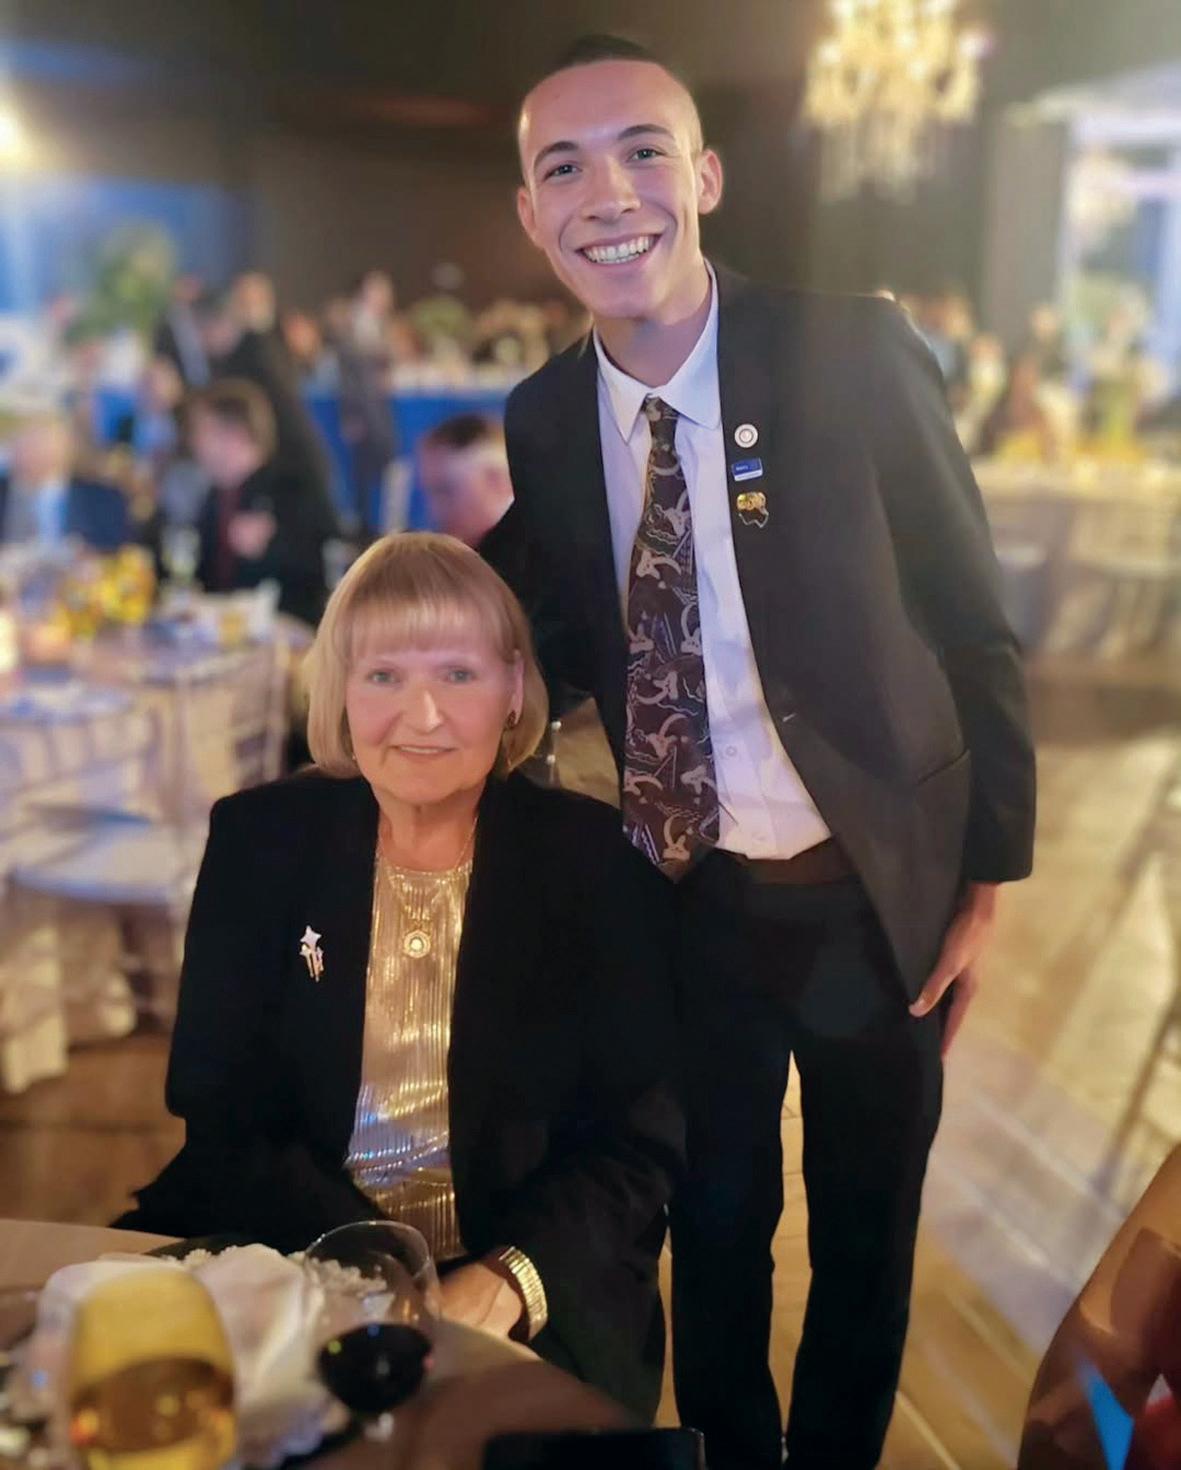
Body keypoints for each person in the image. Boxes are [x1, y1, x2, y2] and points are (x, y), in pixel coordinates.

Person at [492, 34, 1037, 1470]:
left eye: (643, 151)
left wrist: (985, 880)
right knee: (716, 1222)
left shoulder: (848, 348)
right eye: (565, 168)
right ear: (531, 216)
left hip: (874, 891)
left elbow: (973, 617)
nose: (610, 193)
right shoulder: (542, 416)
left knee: (866, 1228)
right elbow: (538, 612)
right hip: (688, 899)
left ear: (706, 176)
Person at [115, 532, 681, 1418]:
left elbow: (639, 1139)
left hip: (521, 1275)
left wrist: (503, 1283)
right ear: (339, 691)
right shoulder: (261, 841)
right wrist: (367, 1272)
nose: (421, 716)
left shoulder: (594, 863)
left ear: (513, 689)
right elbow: (216, 1105)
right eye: (382, 675)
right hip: (290, 1246)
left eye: (457, 674)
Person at [187, 379, 337, 626]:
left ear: (234, 434)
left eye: (202, 431)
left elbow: (324, 563)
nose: (194, 443)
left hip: (289, 632)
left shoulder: (294, 487)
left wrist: (272, 546)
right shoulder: (213, 496)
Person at [0, 411, 128, 551]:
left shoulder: (102, 499)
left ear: (66, 448)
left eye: (42, 442)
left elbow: (119, 552)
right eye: (25, 442)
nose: (32, 451)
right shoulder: (5, 493)